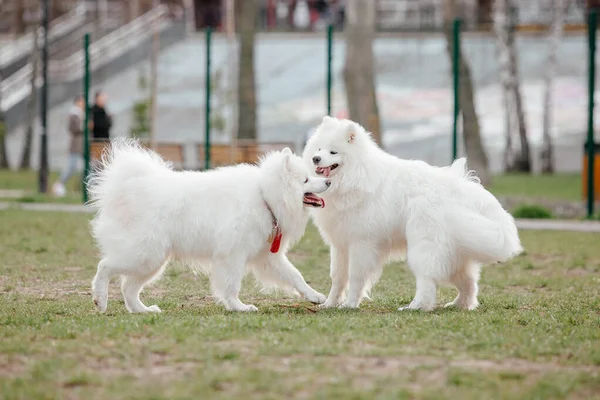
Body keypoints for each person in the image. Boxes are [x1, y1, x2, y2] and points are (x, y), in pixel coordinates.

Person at [53, 95, 86, 197]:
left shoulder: (82, 114)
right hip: (76, 145)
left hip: (83, 144)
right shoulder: (74, 114)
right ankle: (59, 184)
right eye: (81, 102)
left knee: (89, 166)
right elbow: (74, 129)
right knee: (72, 166)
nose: (83, 104)